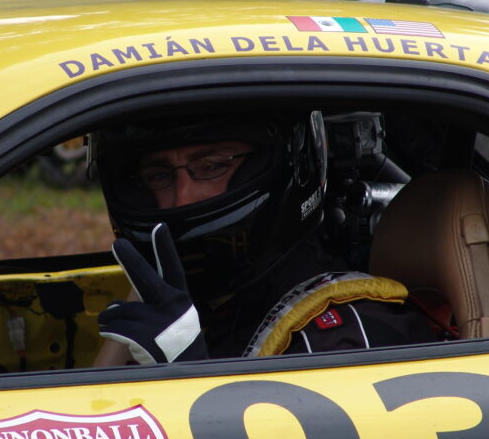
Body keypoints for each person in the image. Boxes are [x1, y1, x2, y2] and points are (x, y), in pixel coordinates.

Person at [88, 112, 437, 365]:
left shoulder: (349, 338)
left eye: (212, 166)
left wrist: (186, 369)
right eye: (158, 175)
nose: (182, 198)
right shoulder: (190, 310)